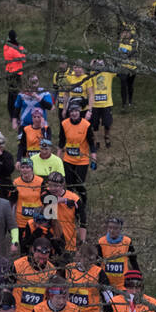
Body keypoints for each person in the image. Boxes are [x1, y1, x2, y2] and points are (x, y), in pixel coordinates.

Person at [58, 100, 97, 237]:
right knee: (68, 185)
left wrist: (94, 158)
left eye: (76, 111)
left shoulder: (86, 125)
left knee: (79, 184)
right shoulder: (64, 124)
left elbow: (92, 143)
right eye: (71, 111)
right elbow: (61, 141)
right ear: (69, 113)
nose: (74, 113)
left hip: (82, 160)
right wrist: (58, 158)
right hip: (68, 159)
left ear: (79, 112)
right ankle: (70, 206)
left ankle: (82, 205)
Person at [33, 170, 79, 255]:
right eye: (50, 185)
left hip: (67, 240)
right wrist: (65, 200)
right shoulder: (45, 192)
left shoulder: (74, 197)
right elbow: (48, 199)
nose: (53, 188)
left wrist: (82, 241)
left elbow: (82, 221)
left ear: (62, 185)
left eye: (56, 186)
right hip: (47, 239)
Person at [10, 232, 55, 312]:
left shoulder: (52, 271)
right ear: (33, 250)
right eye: (39, 253)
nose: (42, 256)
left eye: (46, 254)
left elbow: (51, 296)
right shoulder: (18, 265)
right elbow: (6, 289)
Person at [9, 157, 45, 249]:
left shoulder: (40, 181)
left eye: (27, 167)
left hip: (37, 221)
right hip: (21, 221)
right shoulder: (16, 182)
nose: (25, 170)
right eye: (22, 167)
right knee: (24, 247)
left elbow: (46, 200)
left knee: (37, 246)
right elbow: (12, 202)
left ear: (32, 169)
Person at [96, 215, 139, 290]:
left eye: (115, 228)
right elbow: (97, 263)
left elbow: (133, 261)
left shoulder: (127, 242)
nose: (112, 230)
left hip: (123, 284)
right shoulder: (101, 242)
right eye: (110, 227)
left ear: (120, 229)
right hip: (106, 283)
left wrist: (138, 277)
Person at [88, 59, 116, 147]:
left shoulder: (109, 73)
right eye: (98, 64)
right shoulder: (92, 73)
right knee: (95, 124)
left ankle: (106, 136)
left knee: (107, 123)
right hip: (95, 104)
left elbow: (115, 68)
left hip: (106, 104)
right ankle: (97, 140)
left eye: (101, 64)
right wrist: (91, 64)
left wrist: (109, 61)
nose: (99, 66)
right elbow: (89, 72)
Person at [3, 31, 27, 119]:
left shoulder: (6, 46)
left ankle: (13, 115)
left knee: (12, 95)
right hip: (15, 74)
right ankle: (14, 115)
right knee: (14, 95)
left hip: (11, 73)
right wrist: (20, 48)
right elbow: (23, 58)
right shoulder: (13, 49)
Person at [116, 23, 137, 108]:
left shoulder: (134, 42)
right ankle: (124, 103)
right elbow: (116, 53)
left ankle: (130, 101)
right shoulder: (120, 41)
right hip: (122, 68)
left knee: (130, 86)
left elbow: (131, 53)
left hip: (131, 68)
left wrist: (123, 54)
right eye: (124, 32)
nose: (125, 33)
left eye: (127, 32)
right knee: (123, 85)